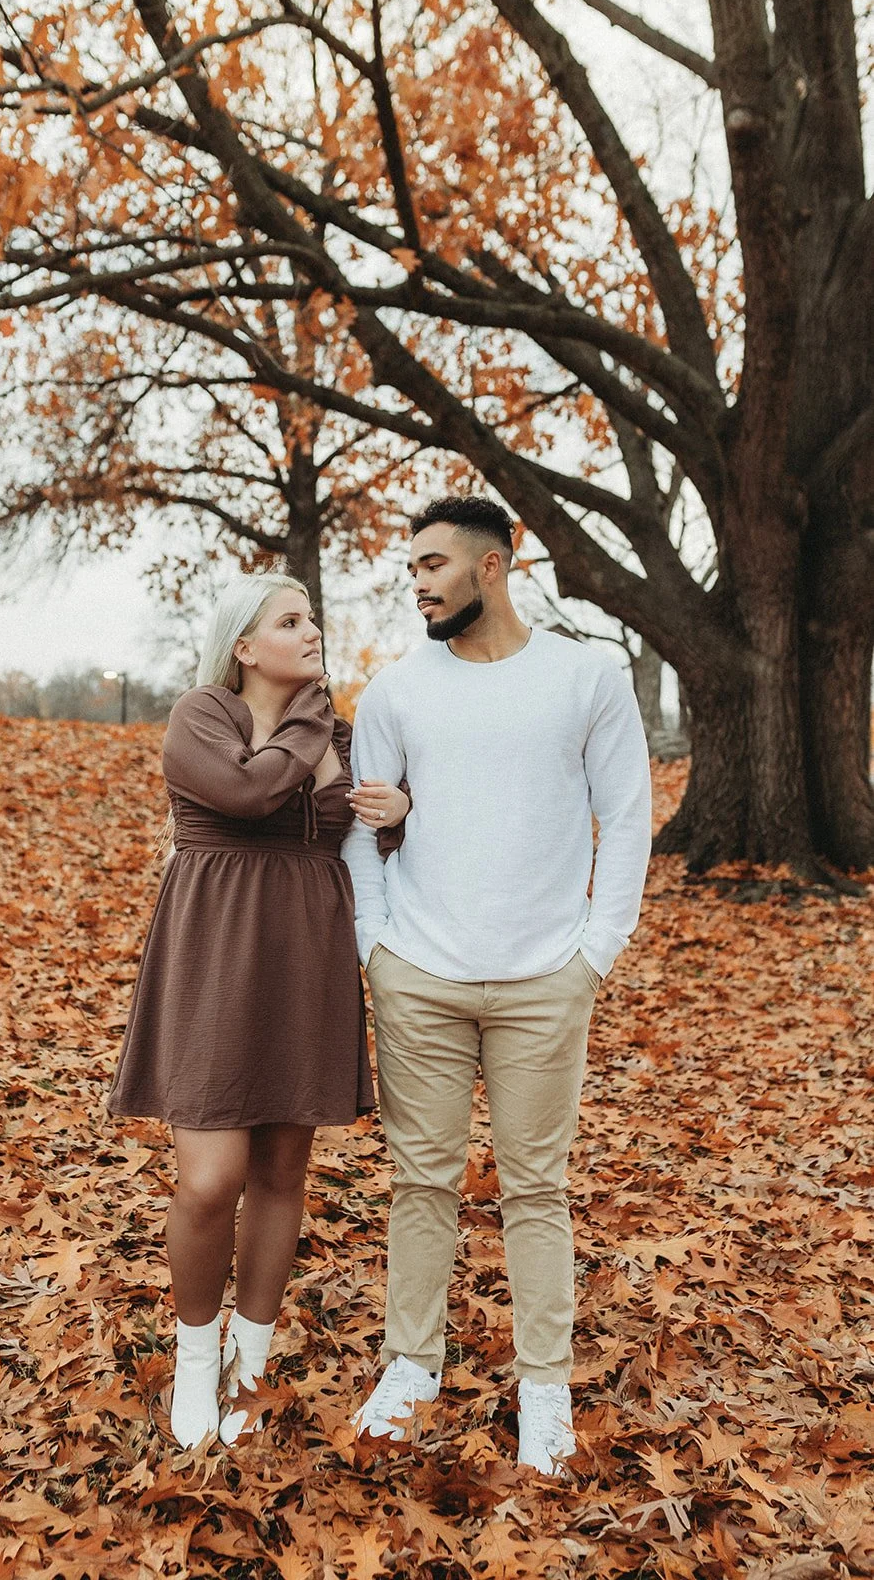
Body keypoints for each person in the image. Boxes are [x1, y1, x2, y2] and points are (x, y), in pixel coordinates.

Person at [341, 496, 651, 1474]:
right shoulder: (396, 689)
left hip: (541, 981)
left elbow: (628, 816)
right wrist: (373, 946)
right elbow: (363, 823)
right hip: (418, 977)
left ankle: (544, 1389)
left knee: (534, 1188)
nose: (417, 582)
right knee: (420, 1182)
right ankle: (409, 1367)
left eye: (432, 563)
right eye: (409, 570)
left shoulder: (583, 677)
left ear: (491, 565)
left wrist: (592, 953)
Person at [107, 572, 408, 1450]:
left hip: (303, 960)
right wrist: (313, 723)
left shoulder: (339, 737)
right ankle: (196, 1359)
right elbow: (247, 794)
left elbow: (373, 833)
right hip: (213, 954)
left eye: (312, 615)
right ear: (245, 646)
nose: (311, 629)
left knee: (280, 1173)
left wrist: (400, 808)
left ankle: (252, 1359)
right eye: (289, 620)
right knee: (208, 1180)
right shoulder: (202, 715)